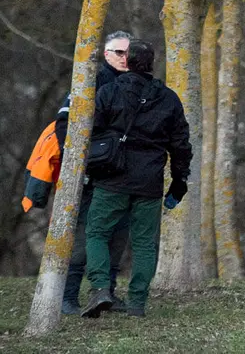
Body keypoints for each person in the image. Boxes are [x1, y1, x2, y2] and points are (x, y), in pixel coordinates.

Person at [81, 39, 192, 317]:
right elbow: (181, 146)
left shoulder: (108, 92)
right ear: (152, 64)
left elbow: (90, 133)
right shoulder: (169, 98)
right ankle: (137, 303)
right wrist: (179, 183)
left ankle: (100, 288)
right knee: (144, 242)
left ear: (128, 62)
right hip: (149, 182)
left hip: (111, 177)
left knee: (96, 232)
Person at [54, 30, 134, 315]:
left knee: (117, 236)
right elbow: (64, 123)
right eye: (119, 52)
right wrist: (83, 162)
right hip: (93, 176)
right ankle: (67, 297)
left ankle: (106, 294)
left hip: (123, 177)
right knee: (83, 238)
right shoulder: (93, 81)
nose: (125, 58)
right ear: (106, 54)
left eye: (129, 53)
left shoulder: (135, 84)